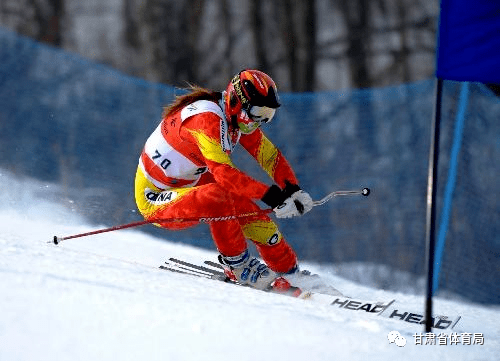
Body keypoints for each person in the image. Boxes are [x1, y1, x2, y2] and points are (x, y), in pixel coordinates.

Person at [134, 69, 314, 291]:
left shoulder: (238, 117)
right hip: (156, 198)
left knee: (252, 216)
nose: (262, 120)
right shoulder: (206, 120)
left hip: (191, 183)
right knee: (218, 196)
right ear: (237, 101)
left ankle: (289, 270)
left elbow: (269, 156)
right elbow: (224, 175)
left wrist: (292, 188)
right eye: (260, 111)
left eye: (268, 114)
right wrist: (273, 196)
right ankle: (238, 265)